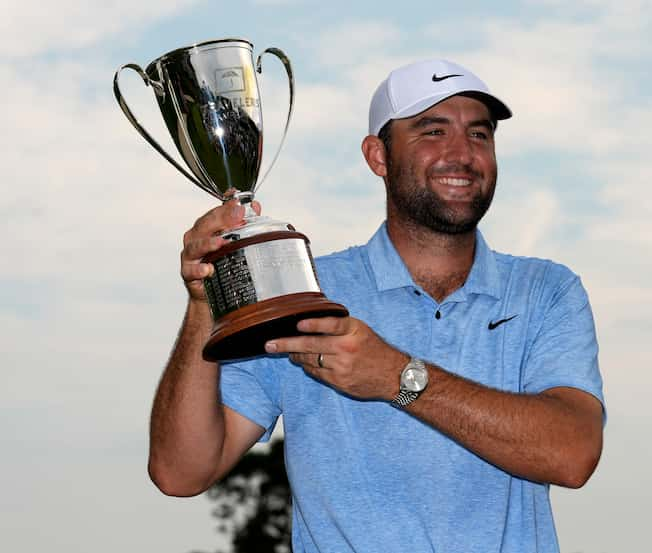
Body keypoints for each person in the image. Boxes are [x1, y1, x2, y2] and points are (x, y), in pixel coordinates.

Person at [149, 59, 605, 552]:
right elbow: (181, 472)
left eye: (479, 134)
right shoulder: (303, 288)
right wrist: (203, 303)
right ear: (377, 156)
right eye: (432, 131)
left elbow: (572, 453)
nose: (462, 153)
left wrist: (396, 377)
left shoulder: (545, 290)